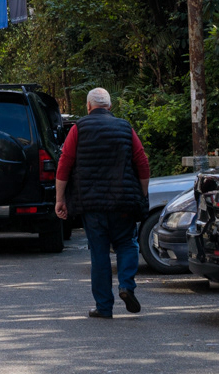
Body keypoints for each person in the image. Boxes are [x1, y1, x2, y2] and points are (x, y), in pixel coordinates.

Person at [54, 87, 151, 320]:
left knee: (99, 253)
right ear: (110, 106)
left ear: (88, 107)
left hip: (92, 204)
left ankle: (104, 307)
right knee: (128, 244)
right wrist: (142, 194)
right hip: (123, 202)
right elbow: (142, 161)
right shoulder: (125, 127)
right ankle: (126, 285)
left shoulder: (79, 129)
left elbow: (65, 163)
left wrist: (60, 199)